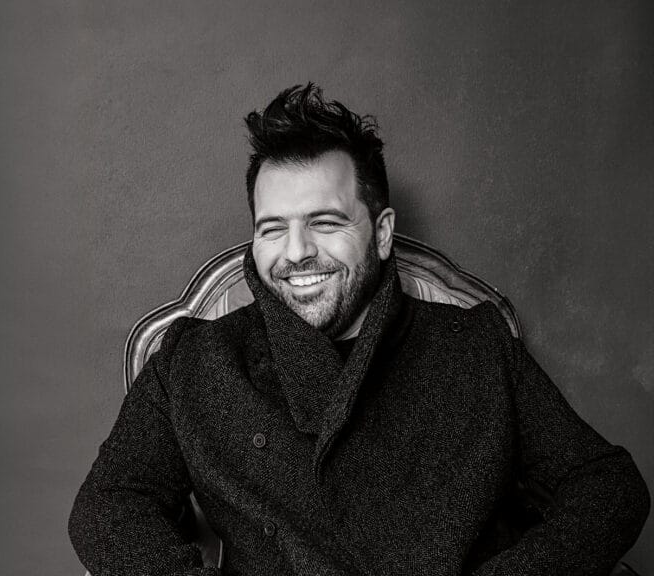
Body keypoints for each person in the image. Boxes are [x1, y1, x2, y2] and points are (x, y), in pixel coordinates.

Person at [68, 84, 649, 576]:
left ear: (382, 232)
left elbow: (608, 487)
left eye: (324, 222)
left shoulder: (474, 345)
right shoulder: (195, 361)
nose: (296, 252)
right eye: (272, 228)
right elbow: (109, 505)